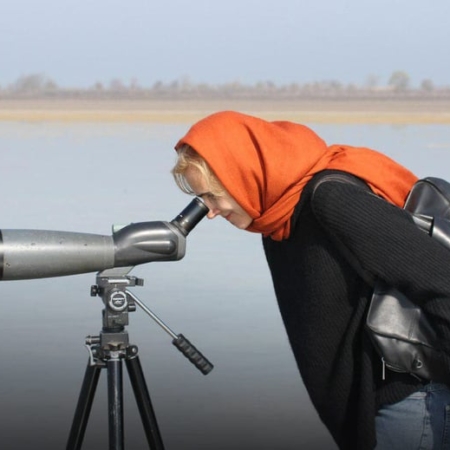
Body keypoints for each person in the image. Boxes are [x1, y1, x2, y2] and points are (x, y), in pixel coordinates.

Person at [170, 110, 450, 449]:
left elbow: (440, 277)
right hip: (377, 406)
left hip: (409, 401)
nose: (211, 211)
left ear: (244, 173)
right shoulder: (277, 220)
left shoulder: (330, 200)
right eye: (203, 200)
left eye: (213, 195)